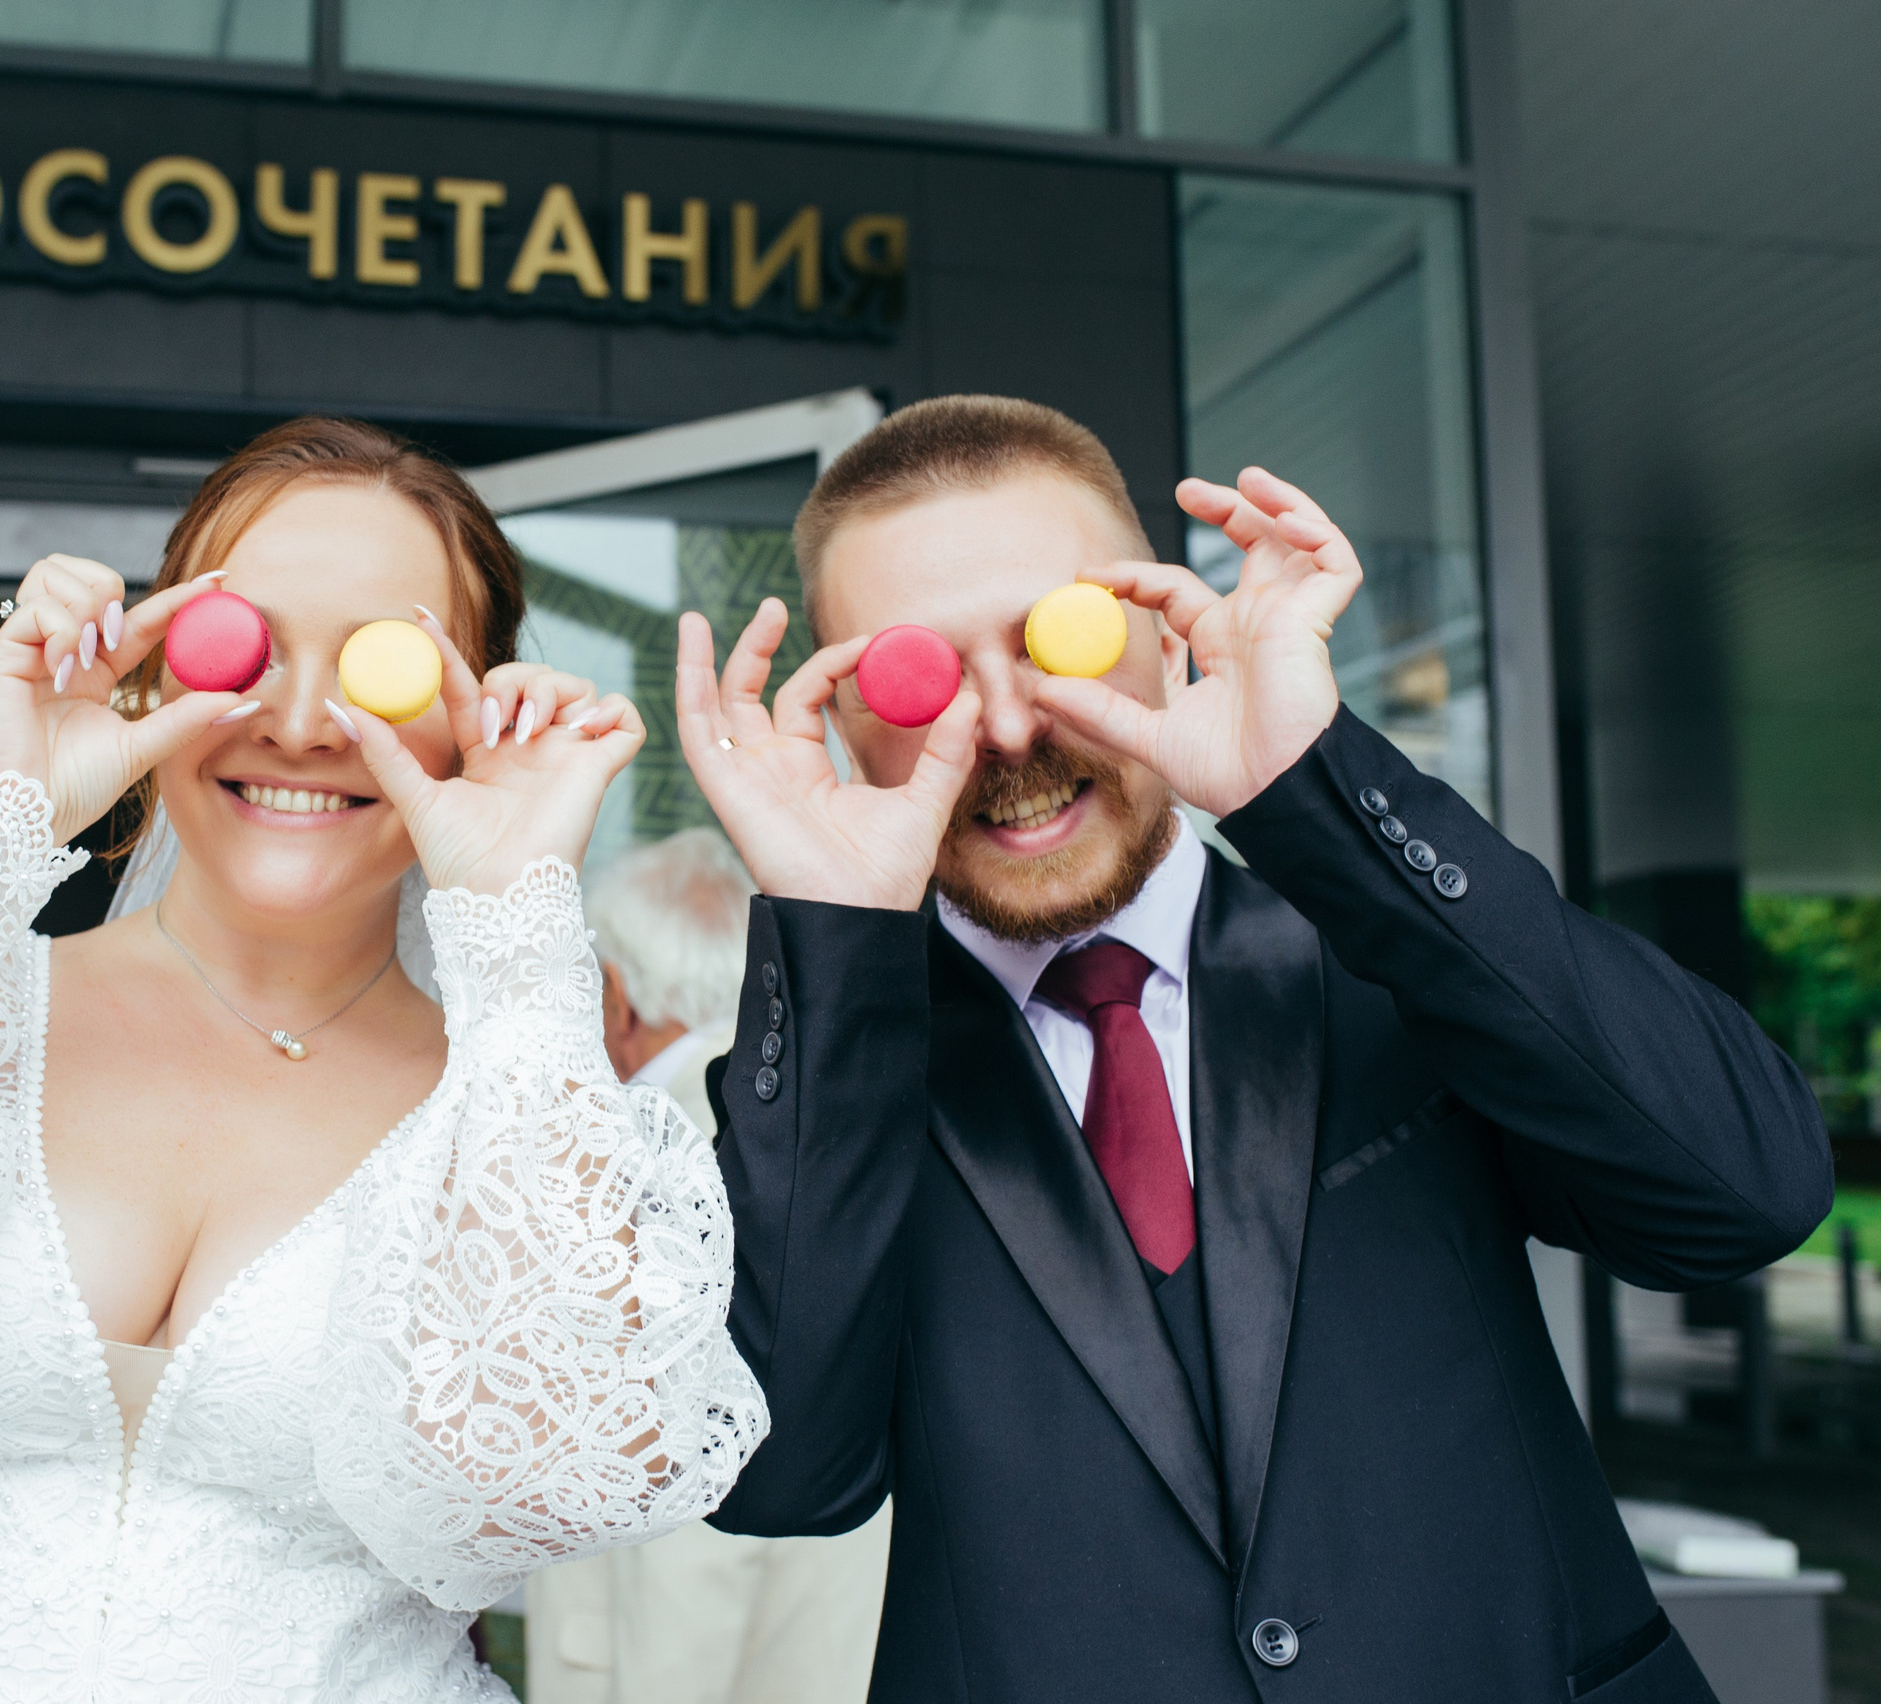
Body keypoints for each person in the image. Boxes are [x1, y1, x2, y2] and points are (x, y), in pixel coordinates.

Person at [0, 417, 767, 1703]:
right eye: (243, 647)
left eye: (380, 667)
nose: (296, 720)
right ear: (156, 670)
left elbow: (560, 1486)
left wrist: (516, 926)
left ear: (475, 710)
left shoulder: (510, 1100)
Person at [675, 395, 1830, 1701]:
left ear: (1169, 632)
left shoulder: (1397, 953)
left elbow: (1746, 1195)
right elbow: (779, 1478)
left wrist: (1317, 782)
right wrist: (830, 942)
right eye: (916, 676)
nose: (1002, 727)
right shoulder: (837, 1069)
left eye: (1061, 637)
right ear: (837, 712)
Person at [529, 827, 890, 1704]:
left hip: (677, 1665)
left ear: (614, 997)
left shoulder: (659, 1166)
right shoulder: (809, 1149)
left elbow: (686, 1535)